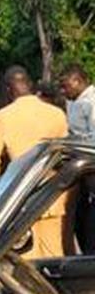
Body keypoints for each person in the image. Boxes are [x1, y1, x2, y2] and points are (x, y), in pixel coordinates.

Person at [0, 66, 71, 259]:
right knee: (53, 255)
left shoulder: (2, 117)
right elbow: (66, 155)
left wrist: (10, 178)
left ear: (8, 89)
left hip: (21, 197)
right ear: (30, 85)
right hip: (53, 194)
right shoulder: (56, 113)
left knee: (27, 259)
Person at [62, 65, 95, 251]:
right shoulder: (75, 101)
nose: (63, 91)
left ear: (78, 81)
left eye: (66, 86)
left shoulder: (91, 102)